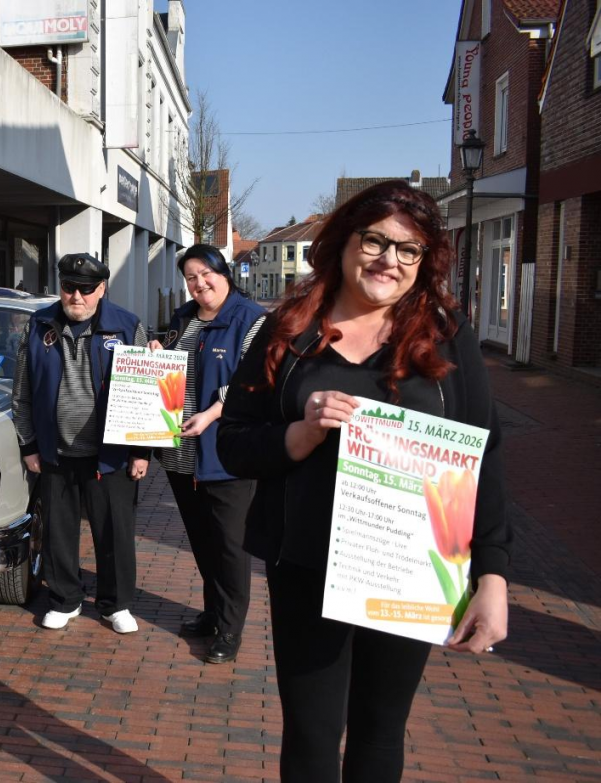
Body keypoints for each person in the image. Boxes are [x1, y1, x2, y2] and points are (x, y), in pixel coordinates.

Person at [216, 180, 510, 782]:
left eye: (409, 250)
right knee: (312, 733)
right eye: (375, 240)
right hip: (306, 566)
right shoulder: (290, 333)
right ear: (344, 241)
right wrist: (297, 434)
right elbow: (233, 442)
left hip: (405, 569)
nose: (390, 261)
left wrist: (494, 574)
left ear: (425, 261)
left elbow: (483, 459)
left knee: (380, 730)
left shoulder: (446, 336)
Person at [12, 252, 150, 634]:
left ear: (101, 289)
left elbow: (145, 394)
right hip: (56, 451)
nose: (77, 296)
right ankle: (64, 599)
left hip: (111, 454)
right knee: (58, 530)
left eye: (86, 289)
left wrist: (142, 452)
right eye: (69, 287)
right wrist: (28, 446)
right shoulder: (39, 325)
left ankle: (115, 604)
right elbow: (21, 392)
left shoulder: (126, 326)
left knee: (115, 533)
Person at [148, 244, 266, 664]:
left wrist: (214, 413)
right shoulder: (182, 320)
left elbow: (255, 383)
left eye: (206, 274)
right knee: (201, 541)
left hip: (225, 455)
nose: (200, 284)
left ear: (224, 272)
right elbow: (170, 376)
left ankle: (230, 630)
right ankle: (213, 613)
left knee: (230, 546)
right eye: (191, 278)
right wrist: (157, 358)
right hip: (181, 454)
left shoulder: (251, 320)